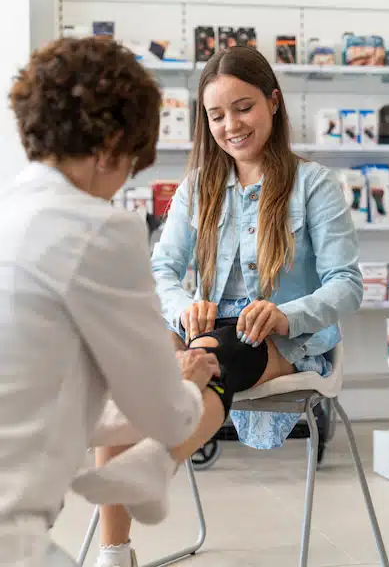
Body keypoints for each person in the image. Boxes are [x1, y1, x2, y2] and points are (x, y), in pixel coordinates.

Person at [96, 45, 364, 567]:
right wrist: (183, 306)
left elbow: (347, 284)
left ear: (273, 103)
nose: (231, 125)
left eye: (243, 107)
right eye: (216, 115)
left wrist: (287, 313)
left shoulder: (315, 186)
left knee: (211, 355)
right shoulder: (199, 187)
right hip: (205, 331)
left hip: (278, 339)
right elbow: (161, 270)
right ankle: (114, 552)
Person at [1, 36, 223, 567]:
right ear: (111, 146)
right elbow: (166, 418)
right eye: (132, 163)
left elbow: (44, 399)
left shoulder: (11, 212)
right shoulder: (98, 232)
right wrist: (187, 383)